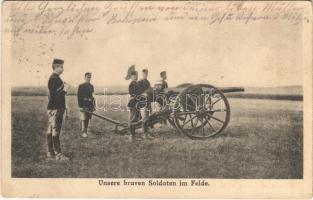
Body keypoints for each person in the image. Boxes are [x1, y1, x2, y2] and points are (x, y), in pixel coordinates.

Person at [46, 58, 70, 161]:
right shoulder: (54, 78)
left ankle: (50, 152)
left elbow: (50, 95)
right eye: (61, 66)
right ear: (56, 66)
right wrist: (65, 89)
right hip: (56, 108)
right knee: (55, 130)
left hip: (53, 107)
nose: (62, 69)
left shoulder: (54, 78)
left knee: (50, 130)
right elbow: (56, 95)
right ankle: (58, 155)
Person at [126, 69, 142, 141]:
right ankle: (131, 136)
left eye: (137, 75)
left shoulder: (136, 83)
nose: (136, 77)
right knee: (132, 120)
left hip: (136, 103)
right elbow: (134, 94)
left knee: (135, 119)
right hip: (133, 103)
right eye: (135, 76)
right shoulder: (132, 84)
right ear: (132, 76)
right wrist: (141, 95)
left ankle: (133, 136)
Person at [77, 72, 95, 138]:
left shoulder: (91, 86)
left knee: (88, 118)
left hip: (90, 105)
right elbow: (79, 97)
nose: (89, 78)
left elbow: (93, 97)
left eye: (90, 77)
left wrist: (94, 105)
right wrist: (80, 106)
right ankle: (84, 132)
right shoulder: (81, 86)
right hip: (83, 105)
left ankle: (85, 130)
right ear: (85, 77)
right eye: (88, 77)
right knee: (83, 118)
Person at [138, 69, 154, 139]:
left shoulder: (147, 82)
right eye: (144, 73)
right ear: (142, 74)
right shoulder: (140, 82)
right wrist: (144, 93)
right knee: (144, 118)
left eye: (146, 73)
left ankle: (146, 133)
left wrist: (148, 92)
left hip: (148, 102)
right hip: (142, 102)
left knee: (147, 118)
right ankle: (144, 134)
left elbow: (151, 90)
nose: (146, 75)